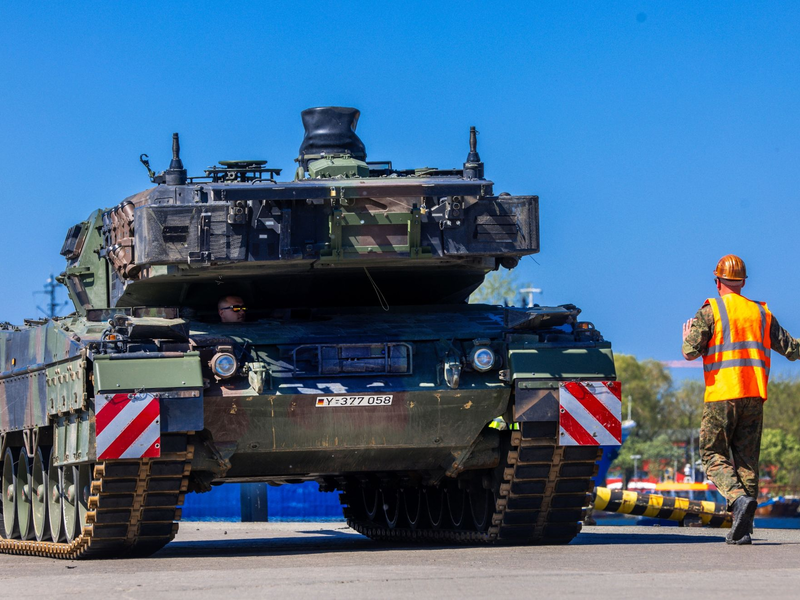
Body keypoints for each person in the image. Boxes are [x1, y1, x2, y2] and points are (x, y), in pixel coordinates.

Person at [682, 254, 800, 545]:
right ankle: (743, 530)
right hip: (754, 395)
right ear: (744, 281)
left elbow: (690, 351)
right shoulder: (762, 313)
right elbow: (793, 350)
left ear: (717, 280)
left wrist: (686, 336)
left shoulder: (711, 310)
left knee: (711, 454)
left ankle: (737, 500)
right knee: (747, 462)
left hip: (723, 394)